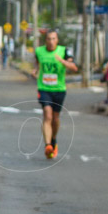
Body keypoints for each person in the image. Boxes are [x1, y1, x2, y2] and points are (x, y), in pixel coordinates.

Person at [33, 29, 78, 159]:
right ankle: (48, 145)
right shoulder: (39, 51)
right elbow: (38, 63)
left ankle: (53, 139)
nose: (51, 42)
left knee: (55, 118)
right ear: (45, 40)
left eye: (54, 39)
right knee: (47, 115)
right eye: (49, 39)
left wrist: (63, 61)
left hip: (59, 89)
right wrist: (35, 70)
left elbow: (74, 68)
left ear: (57, 40)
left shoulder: (64, 51)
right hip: (44, 88)